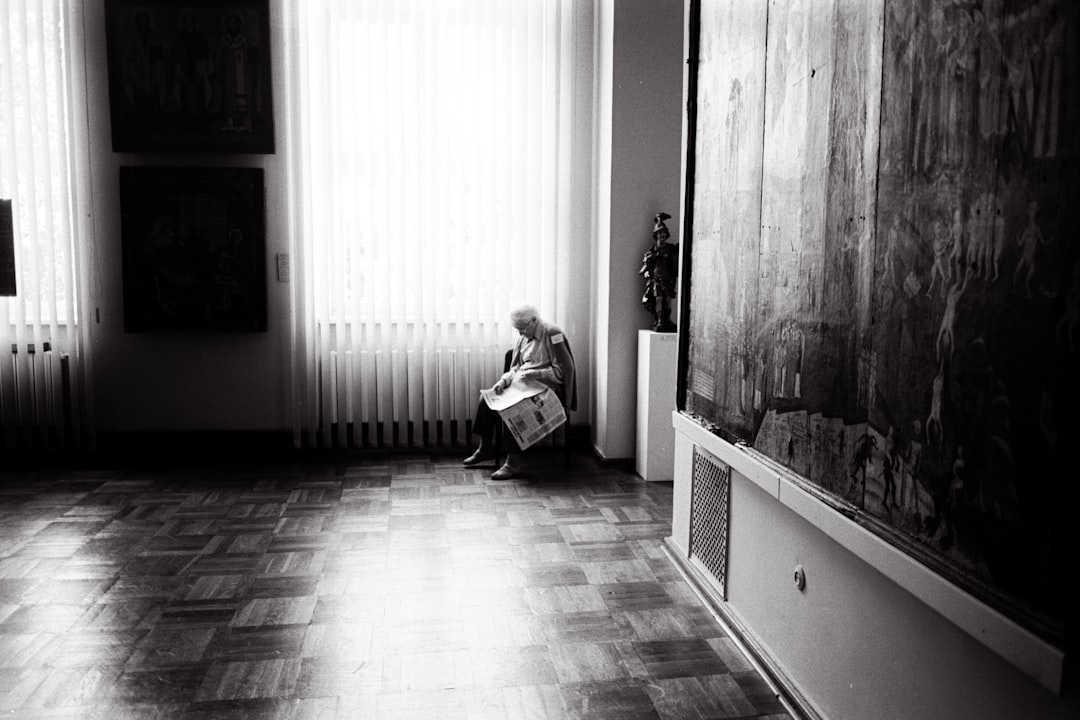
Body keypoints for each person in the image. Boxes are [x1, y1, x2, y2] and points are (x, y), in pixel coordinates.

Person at [463, 304, 576, 479]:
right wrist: (503, 381)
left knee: (513, 409)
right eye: (517, 329)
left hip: (547, 389)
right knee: (486, 399)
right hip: (523, 386)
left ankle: (512, 463)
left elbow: (564, 371)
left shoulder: (553, 333)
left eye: (522, 328)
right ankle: (485, 448)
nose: (520, 333)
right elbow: (516, 367)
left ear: (534, 321)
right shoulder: (524, 338)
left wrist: (537, 373)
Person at [639, 212, 678, 332]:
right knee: (658, 299)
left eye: (664, 233)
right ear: (656, 235)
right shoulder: (653, 249)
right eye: (660, 233)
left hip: (668, 278)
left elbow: (675, 261)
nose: (662, 235)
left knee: (668, 300)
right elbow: (645, 265)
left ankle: (667, 320)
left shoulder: (671, 248)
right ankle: (660, 320)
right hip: (657, 277)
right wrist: (647, 270)